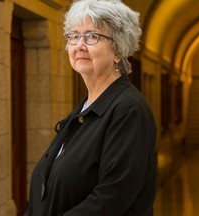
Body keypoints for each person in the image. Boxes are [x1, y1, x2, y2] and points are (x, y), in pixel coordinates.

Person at [25, 0, 157, 215]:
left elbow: (112, 197)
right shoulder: (85, 108)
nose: (79, 45)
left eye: (92, 36)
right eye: (74, 35)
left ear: (118, 50)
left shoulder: (129, 110)